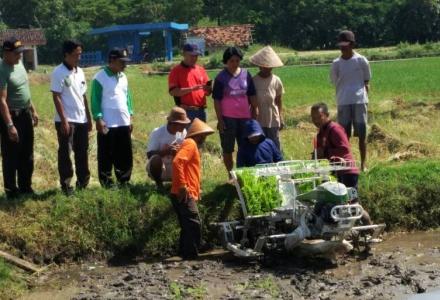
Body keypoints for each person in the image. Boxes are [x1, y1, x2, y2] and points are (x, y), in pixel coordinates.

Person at [310, 102, 372, 224]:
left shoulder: (335, 129)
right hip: (336, 172)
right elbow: (321, 154)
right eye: (313, 118)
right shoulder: (320, 134)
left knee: (353, 204)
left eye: (319, 117)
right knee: (340, 204)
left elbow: (344, 149)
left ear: (327, 115)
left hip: (348, 171)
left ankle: (370, 227)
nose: (316, 120)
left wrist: (325, 151)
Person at [51, 40, 92, 195]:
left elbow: (83, 95)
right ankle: (67, 186)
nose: (78, 58)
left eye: (80, 54)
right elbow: (57, 97)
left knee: (82, 152)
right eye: (76, 55)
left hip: (81, 119)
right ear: (66, 54)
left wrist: (88, 117)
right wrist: (64, 120)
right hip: (67, 120)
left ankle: (83, 184)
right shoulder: (58, 72)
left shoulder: (80, 71)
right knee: (65, 153)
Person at [0, 37, 39, 198]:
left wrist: (33, 110)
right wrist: (10, 126)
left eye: (20, 53)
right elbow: (1, 100)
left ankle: (26, 187)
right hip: (11, 116)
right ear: (6, 53)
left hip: (25, 115)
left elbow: (24, 90)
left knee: (27, 153)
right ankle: (11, 191)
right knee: (11, 155)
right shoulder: (2, 69)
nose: (20, 56)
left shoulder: (19, 65)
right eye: (16, 53)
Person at [171, 118, 214, 259]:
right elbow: (178, 161)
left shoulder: (188, 144)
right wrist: (183, 185)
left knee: (187, 223)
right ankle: (192, 252)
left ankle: (185, 251)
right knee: (193, 221)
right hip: (184, 191)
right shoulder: (191, 144)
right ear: (198, 135)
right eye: (204, 136)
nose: (205, 139)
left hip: (183, 190)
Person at [212, 46, 259, 178]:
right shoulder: (221, 78)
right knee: (228, 148)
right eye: (231, 61)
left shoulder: (246, 74)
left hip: (245, 118)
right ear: (226, 61)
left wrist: (255, 110)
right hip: (228, 119)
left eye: (237, 60)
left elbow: (252, 94)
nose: (234, 63)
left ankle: (245, 174)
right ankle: (230, 174)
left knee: (245, 146)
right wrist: (220, 120)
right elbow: (217, 100)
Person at [91, 48, 134, 187]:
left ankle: (124, 180)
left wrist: (130, 116)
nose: (125, 65)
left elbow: (128, 97)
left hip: (123, 121)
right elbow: (95, 99)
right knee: (106, 154)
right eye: (122, 62)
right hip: (107, 123)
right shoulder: (100, 77)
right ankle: (107, 183)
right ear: (113, 60)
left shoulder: (123, 76)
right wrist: (98, 118)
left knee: (125, 153)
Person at [330, 30, 371, 171]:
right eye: (340, 45)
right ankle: (347, 162)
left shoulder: (361, 61)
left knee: (362, 134)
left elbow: (366, 81)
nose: (343, 47)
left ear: (352, 44)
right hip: (343, 101)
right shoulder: (336, 64)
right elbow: (335, 82)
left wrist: (366, 99)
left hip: (360, 101)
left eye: (345, 44)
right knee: (344, 135)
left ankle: (363, 163)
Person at [249, 46, 285, 150]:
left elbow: (278, 101)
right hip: (258, 119)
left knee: (274, 145)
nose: (268, 69)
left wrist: (280, 117)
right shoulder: (253, 81)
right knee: (259, 147)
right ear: (260, 66)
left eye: (270, 67)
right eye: (265, 67)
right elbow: (250, 102)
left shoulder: (276, 80)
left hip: (273, 118)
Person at [146, 107, 190, 189]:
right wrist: (167, 151)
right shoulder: (158, 132)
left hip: (174, 166)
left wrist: (179, 151)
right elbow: (149, 155)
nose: (185, 126)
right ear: (173, 123)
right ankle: (159, 184)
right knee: (156, 159)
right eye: (183, 124)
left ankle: (180, 183)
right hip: (161, 168)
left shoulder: (183, 132)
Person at [168, 44, 211, 122]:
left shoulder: (201, 70)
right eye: (191, 55)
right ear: (184, 54)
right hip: (186, 111)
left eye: (196, 56)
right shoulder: (176, 71)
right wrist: (192, 89)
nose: (194, 58)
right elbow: (173, 91)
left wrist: (208, 89)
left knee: (202, 134)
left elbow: (208, 93)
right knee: (187, 134)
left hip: (202, 111)